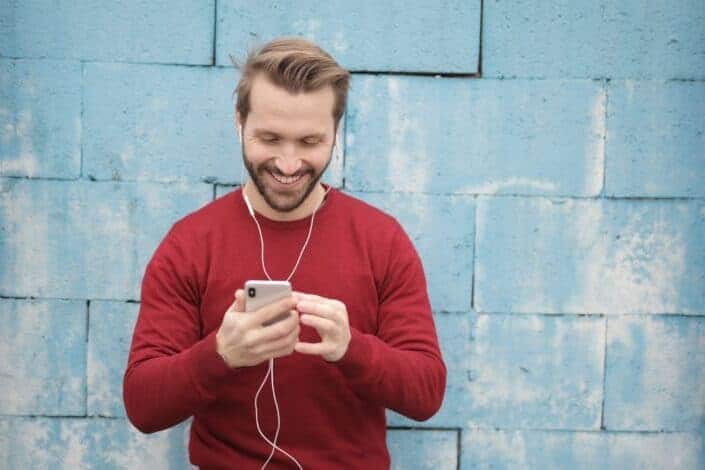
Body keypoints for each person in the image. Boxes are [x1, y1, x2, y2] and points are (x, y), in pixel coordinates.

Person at [123, 37, 446, 469]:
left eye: (310, 141)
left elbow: (426, 394)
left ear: (335, 131)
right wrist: (220, 355)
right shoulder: (189, 244)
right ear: (239, 122)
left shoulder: (381, 239)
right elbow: (143, 405)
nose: (289, 164)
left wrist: (352, 350)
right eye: (270, 138)